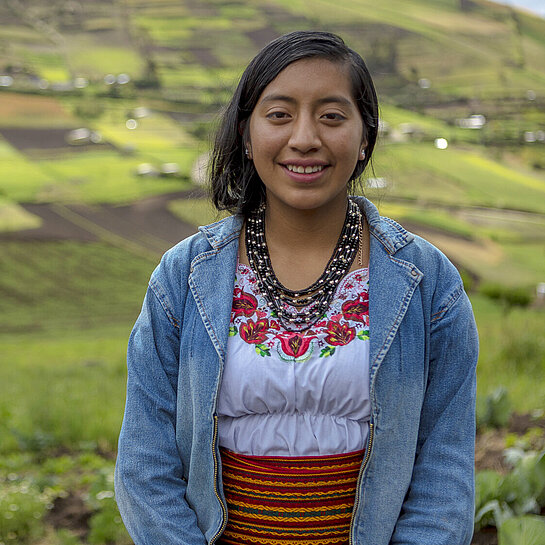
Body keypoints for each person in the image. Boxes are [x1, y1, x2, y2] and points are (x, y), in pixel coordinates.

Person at [115, 31, 479, 545]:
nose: (305, 138)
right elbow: (144, 464)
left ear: (366, 137)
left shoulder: (428, 285)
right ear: (246, 134)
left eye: (331, 116)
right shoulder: (184, 277)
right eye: (279, 114)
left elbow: (445, 469)